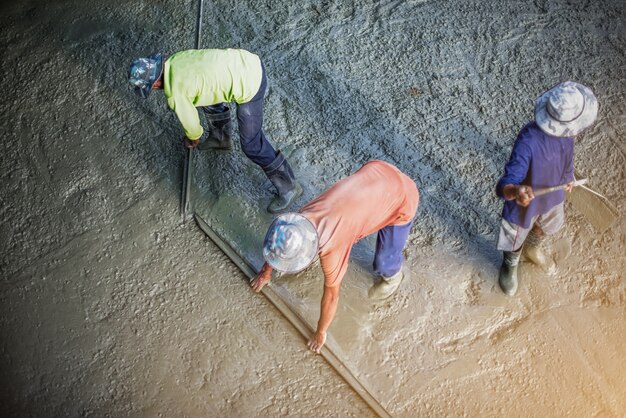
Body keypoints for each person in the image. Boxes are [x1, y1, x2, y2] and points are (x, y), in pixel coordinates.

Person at [250, 160, 420, 353]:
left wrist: (321, 332)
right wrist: (265, 272)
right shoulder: (300, 218)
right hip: (376, 170)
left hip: (402, 198)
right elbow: (279, 243)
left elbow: (331, 295)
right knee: (357, 220)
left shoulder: (332, 248)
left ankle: (393, 276)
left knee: (383, 263)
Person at [127, 49, 302, 213]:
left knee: (252, 145)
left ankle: (289, 187)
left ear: (156, 82)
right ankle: (220, 139)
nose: (155, 89)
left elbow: (193, 126)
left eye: (152, 87)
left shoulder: (175, 93)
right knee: (204, 95)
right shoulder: (176, 59)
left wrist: (192, 139)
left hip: (251, 84)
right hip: (247, 60)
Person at [495, 81, 598, 296]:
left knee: (549, 225)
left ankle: (532, 247)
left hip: (553, 196)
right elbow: (505, 184)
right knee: (514, 236)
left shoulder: (568, 136)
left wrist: (568, 177)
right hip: (525, 203)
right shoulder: (528, 140)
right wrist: (516, 191)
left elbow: (568, 160)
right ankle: (510, 264)